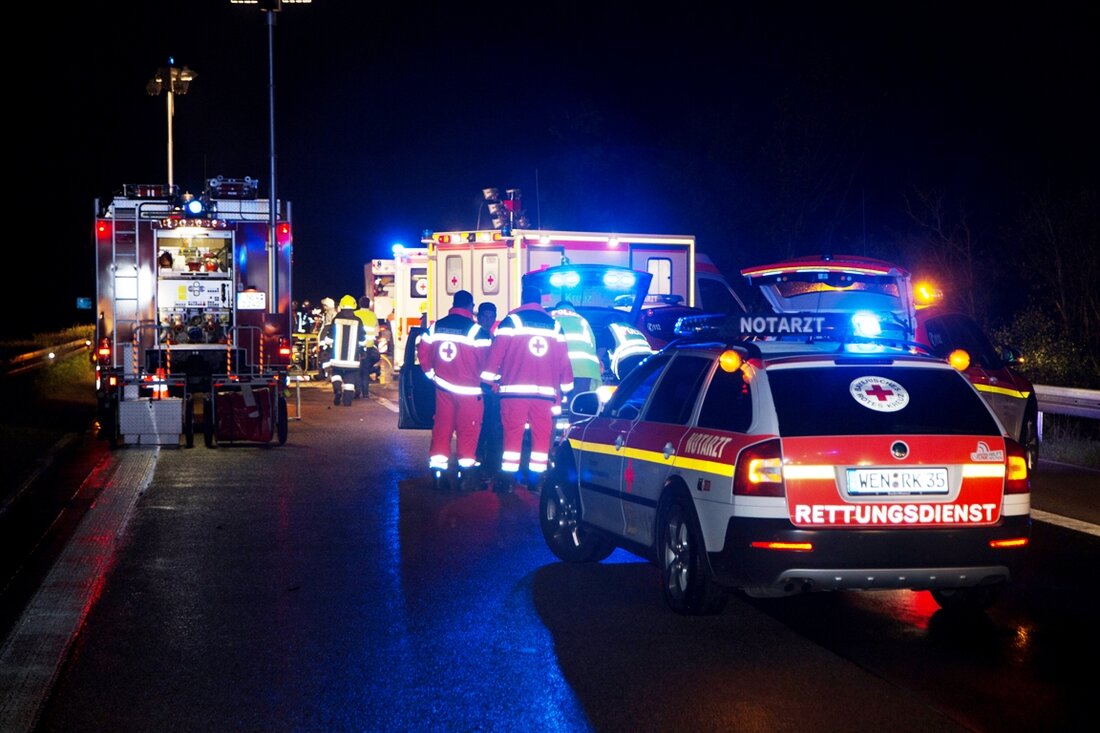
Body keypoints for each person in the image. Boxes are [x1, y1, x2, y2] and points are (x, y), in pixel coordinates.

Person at [481, 285, 573, 493]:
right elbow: (563, 360)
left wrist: (489, 381)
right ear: (540, 301)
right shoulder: (554, 326)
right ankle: (536, 480)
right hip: (545, 395)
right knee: (541, 437)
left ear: (523, 299)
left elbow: (497, 355)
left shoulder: (511, 322)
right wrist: (567, 387)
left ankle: (507, 481)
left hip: (514, 392)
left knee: (512, 435)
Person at [417, 290, 493, 488]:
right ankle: (465, 476)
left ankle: (438, 474)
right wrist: (489, 384)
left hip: (443, 389)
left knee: (442, 430)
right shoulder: (478, 332)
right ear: (471, 307)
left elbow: (422, 352)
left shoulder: (435, 328)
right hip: (469, 393)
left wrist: (432, 375)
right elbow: (487, 363)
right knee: (468, 432)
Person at [473, 301, 504, 489]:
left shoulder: (490, 335)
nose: (488, 320)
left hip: (486, 390)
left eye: (491, 316)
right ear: (478, 317)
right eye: (484, 316)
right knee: (487, 430)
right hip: (484, 391)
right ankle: (484, 467)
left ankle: (482, 466)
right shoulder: (482, 335)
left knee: (486, 430)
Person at [319, 295, 365, 406]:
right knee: (350, 379)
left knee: (335, 373)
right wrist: (362, 351)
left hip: (337, 357)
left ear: (341, 305)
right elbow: (362, 340)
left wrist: (326, 346)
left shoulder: (337, 319)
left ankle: (338, 390)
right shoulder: (358, 320)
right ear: (354, 306)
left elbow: (330, 337)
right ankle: (347, 401)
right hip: (352, 359)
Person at [550, 299, 601, 397]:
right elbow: (592, 345)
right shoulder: (582, 320)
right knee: (578, 403)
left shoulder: (550, 316)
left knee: (554, 401)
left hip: (557, 365)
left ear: (557, 308)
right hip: (585, 368)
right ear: (572, 309)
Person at [354, 295, 380, 398]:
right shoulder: (373, 315)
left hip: (356, 347)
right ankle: (365, 393)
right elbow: (377, 332)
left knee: (356, 370)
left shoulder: (355, 314)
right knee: (365, 370)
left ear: (359, 304)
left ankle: (357, 391)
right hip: (368, 346)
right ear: (369, 305)